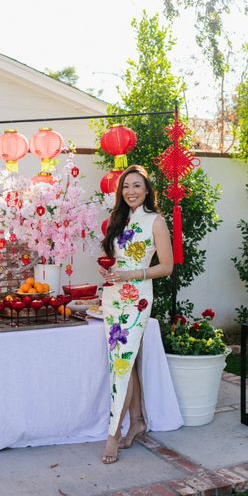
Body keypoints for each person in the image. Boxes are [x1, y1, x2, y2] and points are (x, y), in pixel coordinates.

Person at [99, 165, 173, 464]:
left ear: (147, 190)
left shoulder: (155, 221)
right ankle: (137, 421)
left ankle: (113, 435)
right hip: (113, 296)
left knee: (121, 364)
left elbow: (166, 267)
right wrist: (108, 270)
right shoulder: (117, 220)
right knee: (125, 363)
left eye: (137, 186)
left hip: (137, 298)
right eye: (126, 186)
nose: (131, 191)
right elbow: (115, 260)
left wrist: (132, 273)